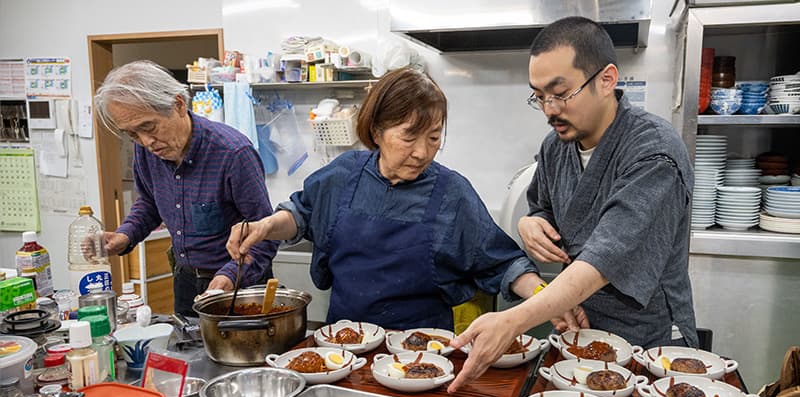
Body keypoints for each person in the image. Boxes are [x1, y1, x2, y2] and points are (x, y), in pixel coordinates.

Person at [448, 17, 698, 392]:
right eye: (539, 96)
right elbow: (544, 207)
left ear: (607, 79)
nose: (549, 109)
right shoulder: (556, 147)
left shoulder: (654, 154)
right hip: (580, 331)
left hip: (649, 338)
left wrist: (513, 320)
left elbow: (604, 258)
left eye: (560, 93)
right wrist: (529, 223)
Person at [227, 67, 543, 330]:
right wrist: (264, 227)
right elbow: (301, 214)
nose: (422, 152)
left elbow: (504, 263)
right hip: (345, 347)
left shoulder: (452, 193)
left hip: (424, 355)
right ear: (377, 131)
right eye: (408, 136)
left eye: (434, 137)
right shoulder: (342, 175)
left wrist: (547, 299)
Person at [94, 60, 277, 316]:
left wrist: (229, 276)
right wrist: (125, 235)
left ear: (178, 105)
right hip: (186, 282)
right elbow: (149, 202)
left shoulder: (232, 153)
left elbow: (266, 233)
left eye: (149, 127)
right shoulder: (147, 151)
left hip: (238, 285)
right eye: (132, 134)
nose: (146, 142)